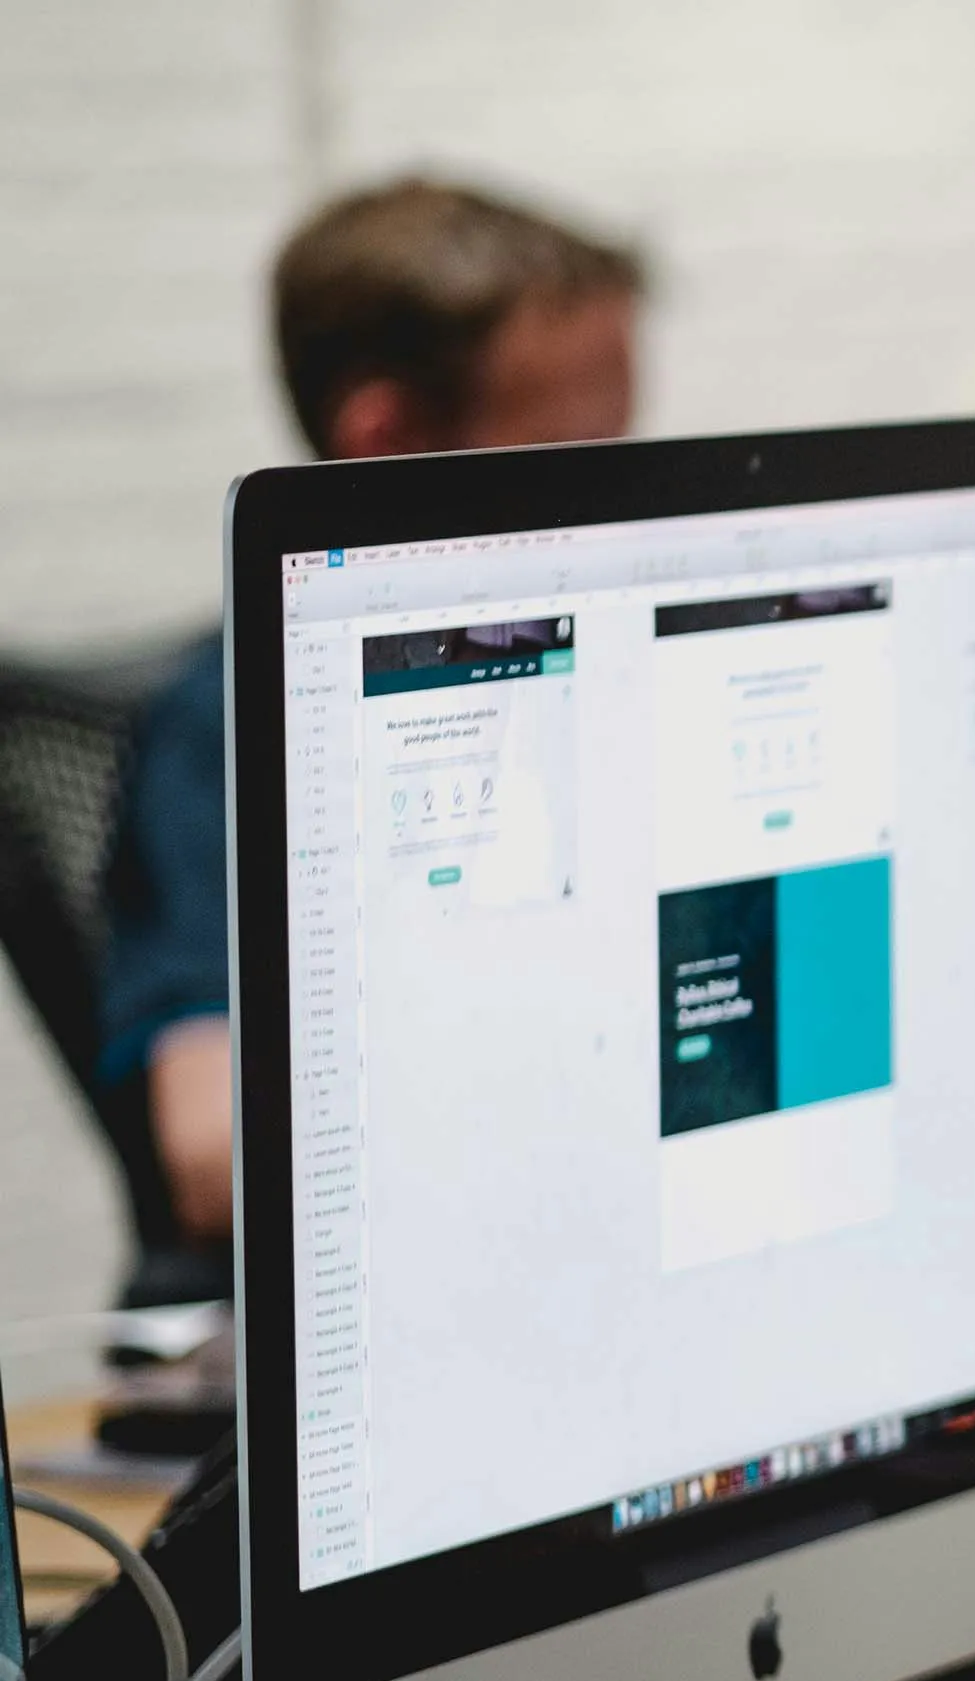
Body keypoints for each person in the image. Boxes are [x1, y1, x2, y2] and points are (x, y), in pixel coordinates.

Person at [104, 178, 640, 1289]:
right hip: (333, 1323)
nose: (620, 508)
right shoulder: (231, 730)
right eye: (573, 458)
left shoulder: (574, 663)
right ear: (386, 440)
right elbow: (212, 1155)